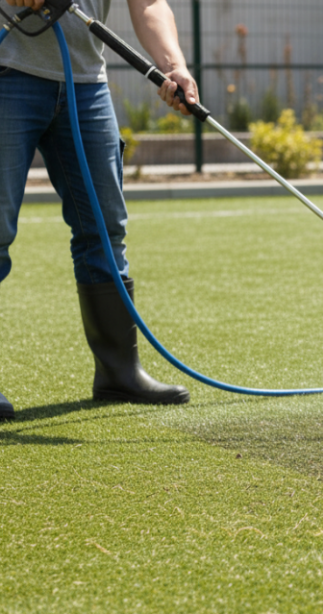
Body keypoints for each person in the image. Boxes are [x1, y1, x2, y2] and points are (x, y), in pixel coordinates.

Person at [0, 0, 200, 419]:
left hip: (86, 83)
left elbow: (149, 2)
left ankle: (118, 372)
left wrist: (174, 65)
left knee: (105, 231)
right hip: (7, 74)